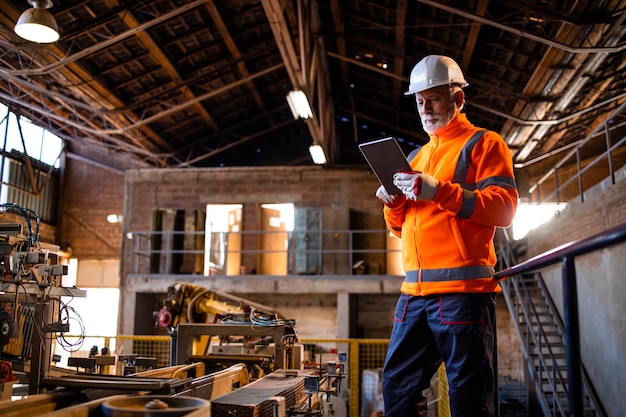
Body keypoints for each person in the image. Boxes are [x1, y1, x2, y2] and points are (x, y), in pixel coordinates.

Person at [375, 55, 519, 417]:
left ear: (458, 99)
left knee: (467, 395)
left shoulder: (484, 144)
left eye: (433, 98)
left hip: (463, 296)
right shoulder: (416, 156)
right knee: (396, 385)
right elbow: (401, 229)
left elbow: (503, 210)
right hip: (414, 294)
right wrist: (393, 204)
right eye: (419, 101)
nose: (425, 108)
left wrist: (439, 191)